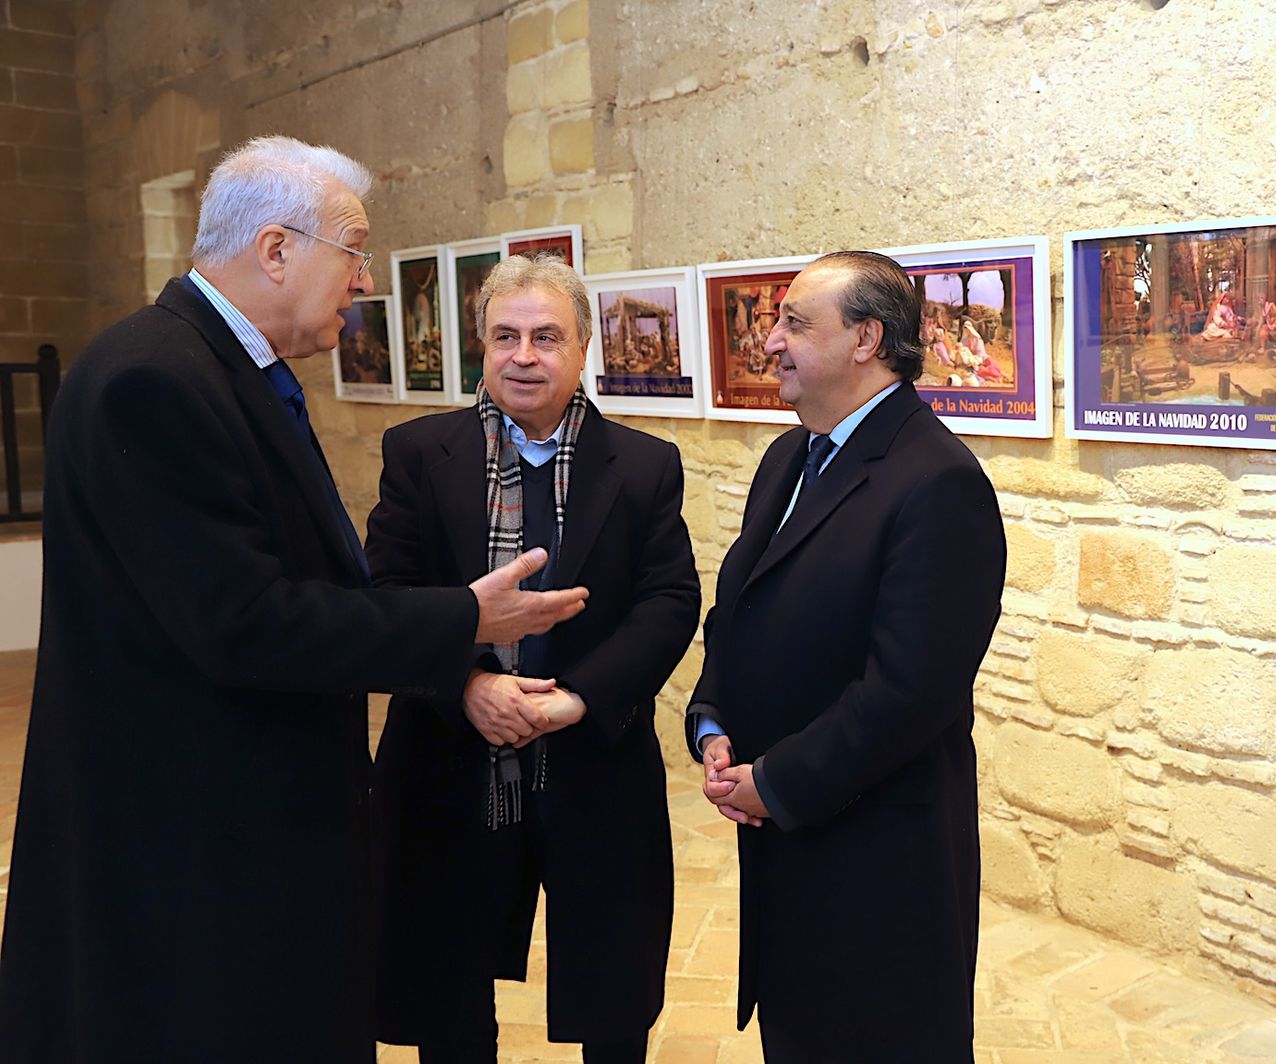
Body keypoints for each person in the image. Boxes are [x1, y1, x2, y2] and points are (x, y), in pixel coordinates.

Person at [0, 136, 588, 1062]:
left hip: (242, 825)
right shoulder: (155, 378)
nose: (364, 283)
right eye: (354, 254)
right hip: (199, 844)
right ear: (276, 249)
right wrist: (464, 617)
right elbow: (247, 622)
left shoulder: (220, 369)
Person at [365, 254, 699, 1064]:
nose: (524, 355)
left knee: (612, 991)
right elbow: (386, 596)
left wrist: (576, 698)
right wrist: (469, 683)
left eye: (546, 337)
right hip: (448, 760)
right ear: (480, 344)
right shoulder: (417, 453)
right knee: (447, 988)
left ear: (583, 347)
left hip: (595, 763)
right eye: (505, 335)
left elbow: (669, 603)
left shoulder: (645, 465)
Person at [686, 250, 1006, 1061]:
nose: (770, 342)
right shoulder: (788, 457)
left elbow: (908, 693)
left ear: (866, 339)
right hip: (787, 842)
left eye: (795, 323)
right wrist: (712, 718)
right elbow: (739, 610)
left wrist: (776, 783)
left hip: (877, 862)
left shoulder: (937, 481)